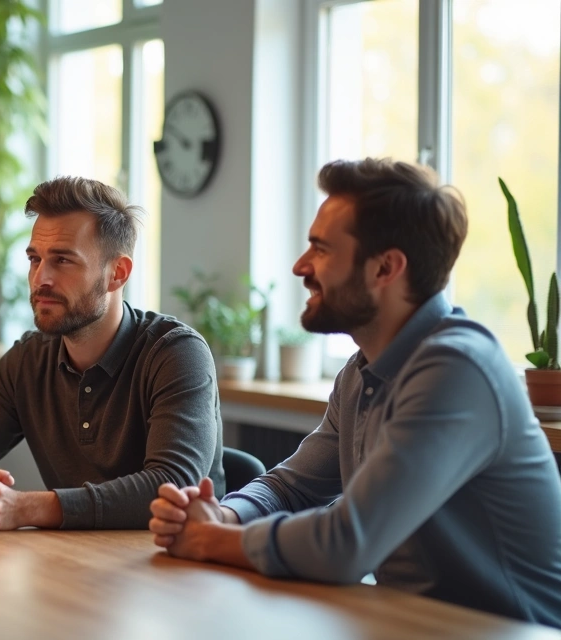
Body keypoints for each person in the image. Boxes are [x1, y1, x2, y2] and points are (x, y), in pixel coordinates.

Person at [149, 158, 561, 627]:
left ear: (386, 268)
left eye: (321, 249)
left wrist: (210, 540)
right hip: (407, 624)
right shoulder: (362, 371)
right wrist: (224, 516)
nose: (300, 266)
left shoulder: (457, 369)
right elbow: (290, 487)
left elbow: (347, 544)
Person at [0, 176, 224, 530]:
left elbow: (173, 487)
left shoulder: (177, 354)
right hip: (70, 557)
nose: (40, 278)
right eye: (35, 259)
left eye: (62, 260)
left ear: (117, 273)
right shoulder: (27, 360)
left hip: (172, 558)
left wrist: (24, 508)